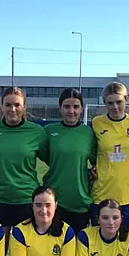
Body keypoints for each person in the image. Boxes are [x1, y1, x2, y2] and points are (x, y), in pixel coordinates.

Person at [0, 87, 46, 231]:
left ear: (24, 107)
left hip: (26, 198)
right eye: (8, 105)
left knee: (26, 248)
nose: (12, 109)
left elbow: (52, 159)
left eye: (17, 105)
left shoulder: (36, 132)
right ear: (1, 106)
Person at [90, 82, 129, 231]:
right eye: (110, 103)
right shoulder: (96, 123)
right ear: (104, 103)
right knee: (100, 242)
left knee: (127, 242)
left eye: (119, 102)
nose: (115, 107)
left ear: (126, 100)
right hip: (101, 193)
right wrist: (91, 166)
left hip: (127, 195)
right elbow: (88, 150)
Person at [40, 88, 96, 231]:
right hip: (54, 198)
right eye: (67, 106)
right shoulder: (49, 131)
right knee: (54, 248)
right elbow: (46, 156)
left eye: (76, 107)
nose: (71, 111)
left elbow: (97, 160)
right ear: (60, 108)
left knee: (78, 249)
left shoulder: (88, 133)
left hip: (80, 199)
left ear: (82, 109)